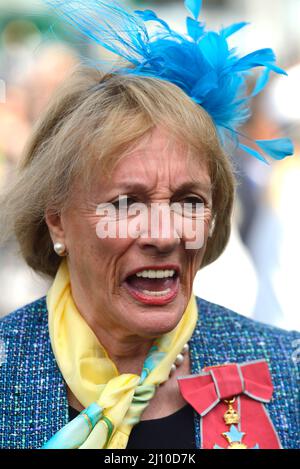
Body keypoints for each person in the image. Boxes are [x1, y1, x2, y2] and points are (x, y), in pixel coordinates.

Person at [0, 0, 298, 450]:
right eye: (125, 203)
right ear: (58, 222)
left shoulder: (287, 371)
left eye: (189, 200)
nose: (163, 235)